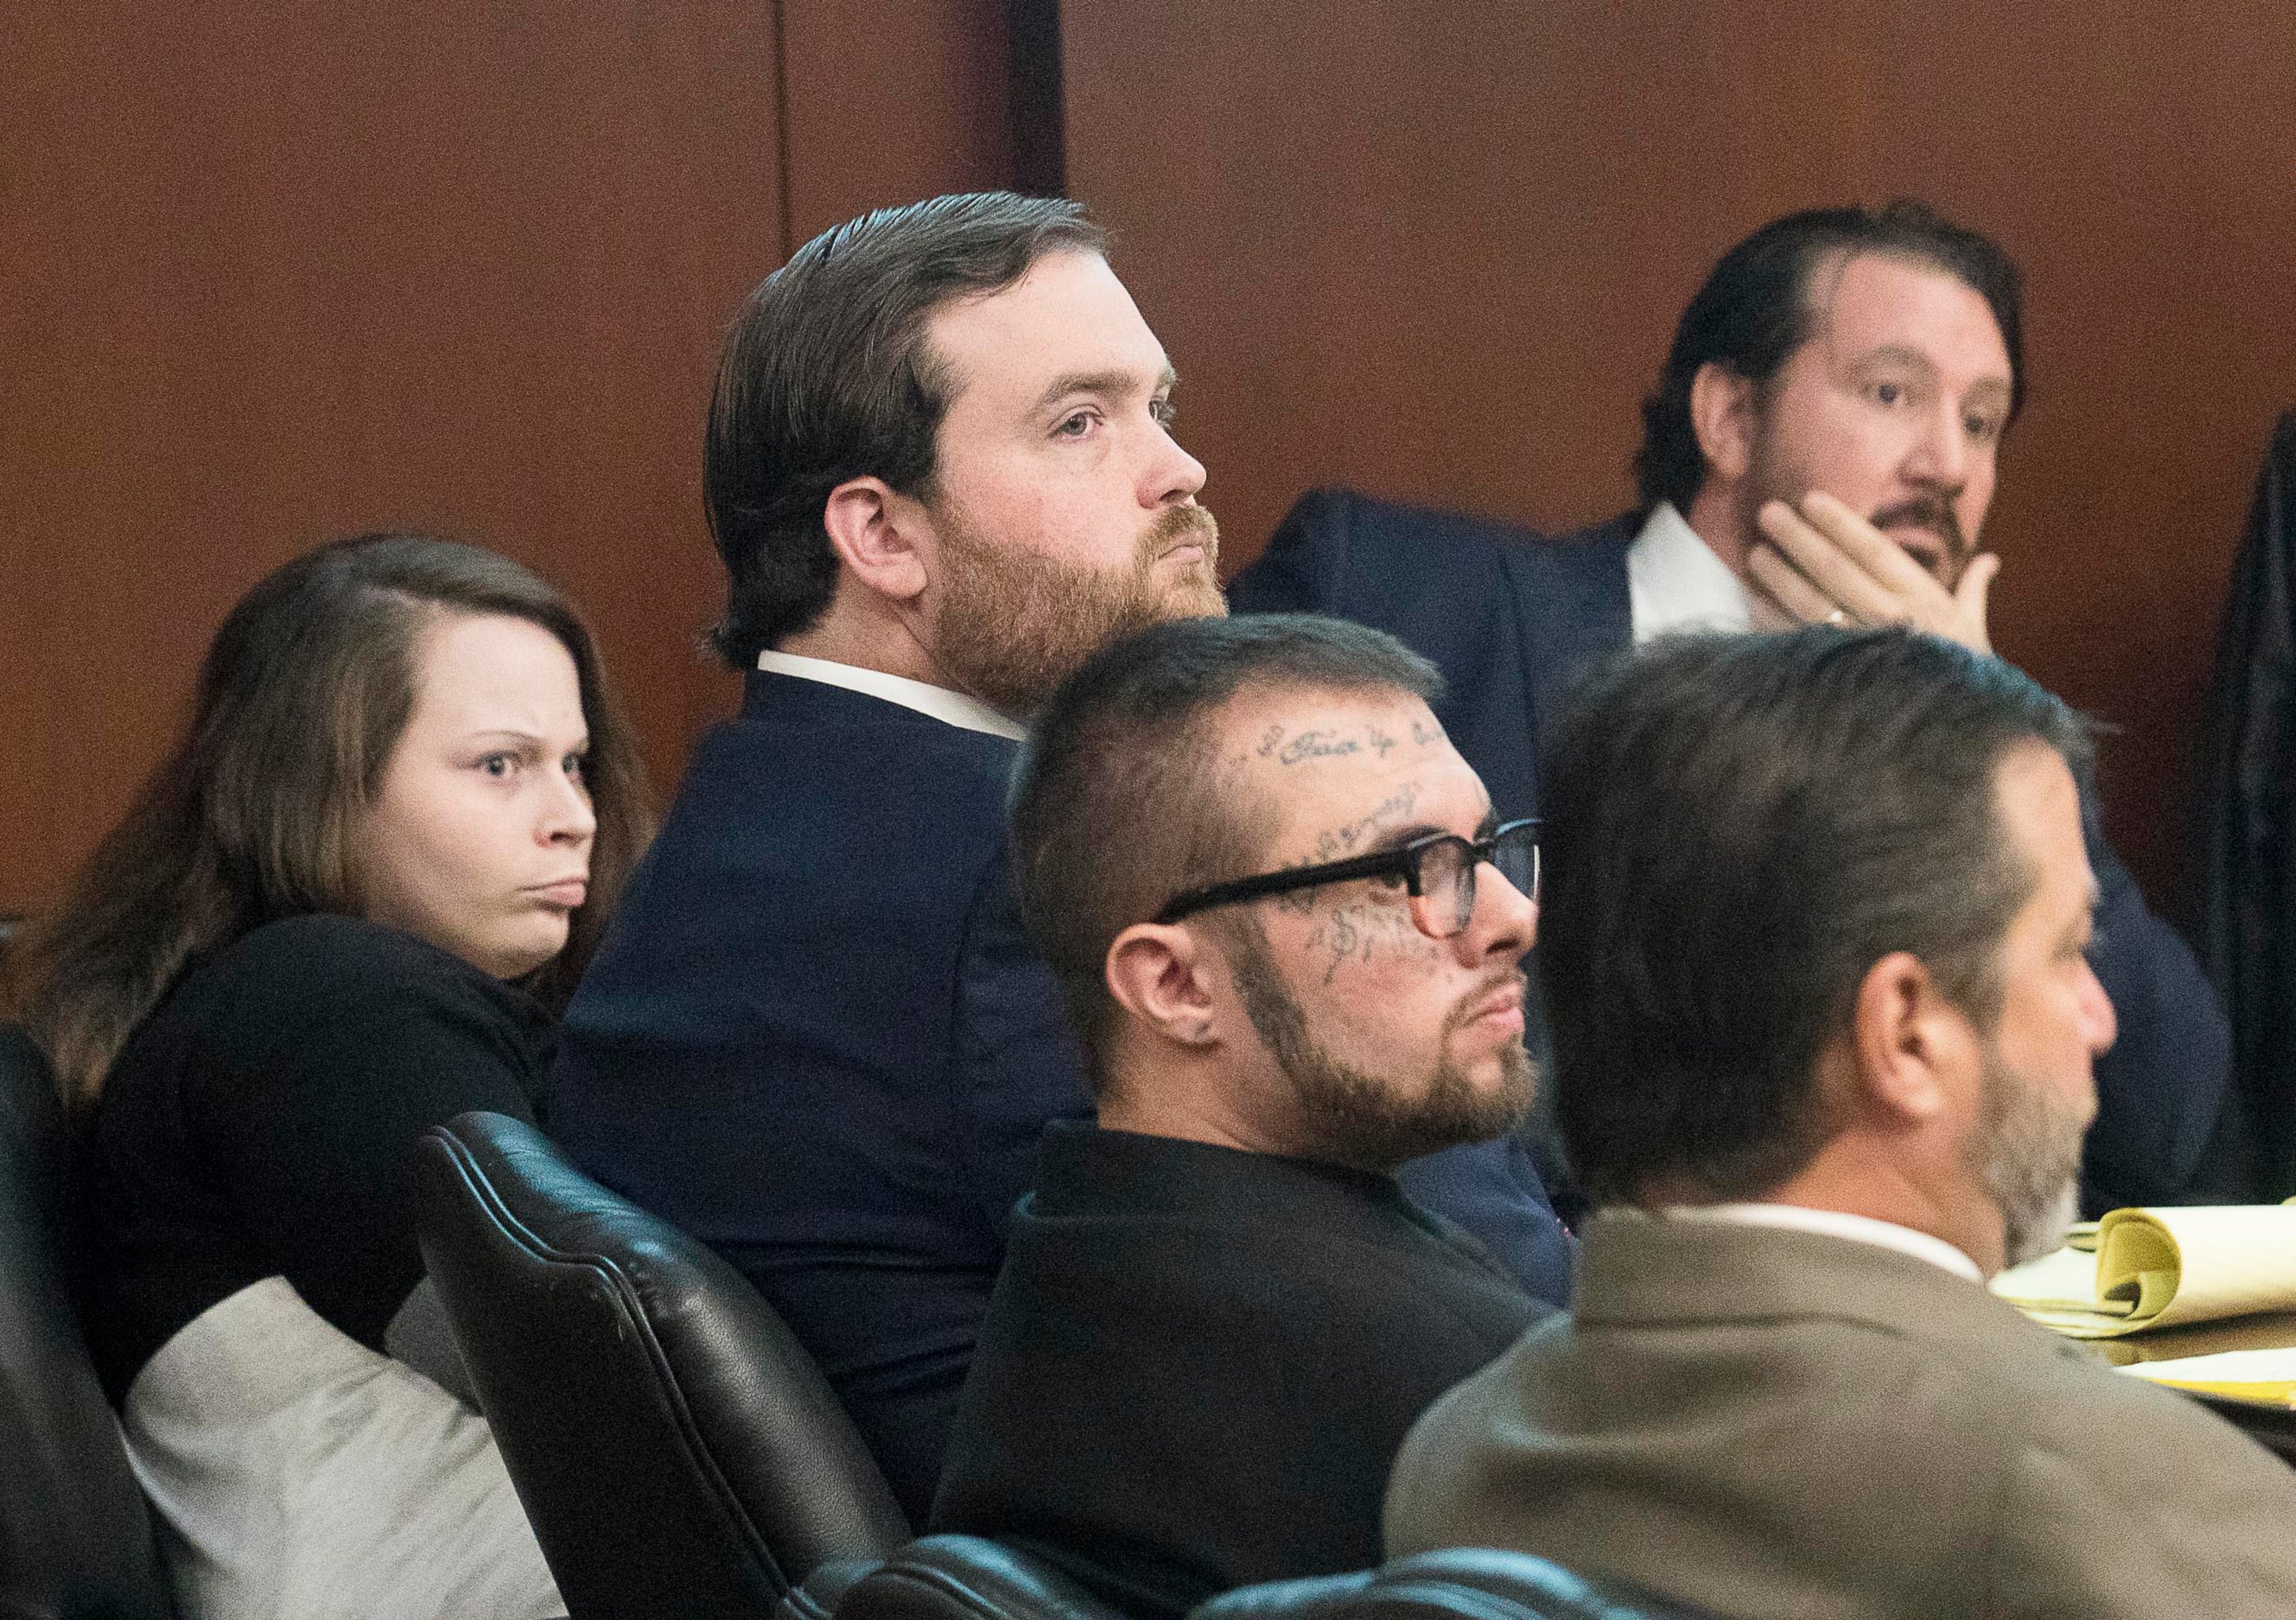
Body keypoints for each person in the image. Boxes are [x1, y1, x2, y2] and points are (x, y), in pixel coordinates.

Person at [548, 193, 1573, 1520]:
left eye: (1161, 407)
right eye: (1080, 423)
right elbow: (1511, 1331)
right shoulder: (1020, 883)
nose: (1179, 471)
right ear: (884, 537)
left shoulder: (758, 820)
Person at [1230, 201, 2229, 1212]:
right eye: (1891, 393)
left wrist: (1984, 740)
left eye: (1981, 421)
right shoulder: (1403, 593)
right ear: (1731, 420)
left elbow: (2172, 1134)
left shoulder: (1963, 752)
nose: (1950, 464)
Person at [1384, 628, 2296, 1620]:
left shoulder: (1454, 1456)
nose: (2100, 1018)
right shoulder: (2129, 1498)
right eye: (2070, 951)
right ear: (1906, 1036)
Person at [16, 535, 652, 1620]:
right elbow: (604, 1379)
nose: (574, 817)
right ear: (320, 785)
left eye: (574, 764)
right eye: (500, 766)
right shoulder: (329, 1005)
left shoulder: (271, 997)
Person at [930, 615, 1550, 1617]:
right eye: (1410, 870)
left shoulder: (1077, 1249)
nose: (1512, 918)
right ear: (1176, 985)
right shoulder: (1461, 1388)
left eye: (1484, 850)